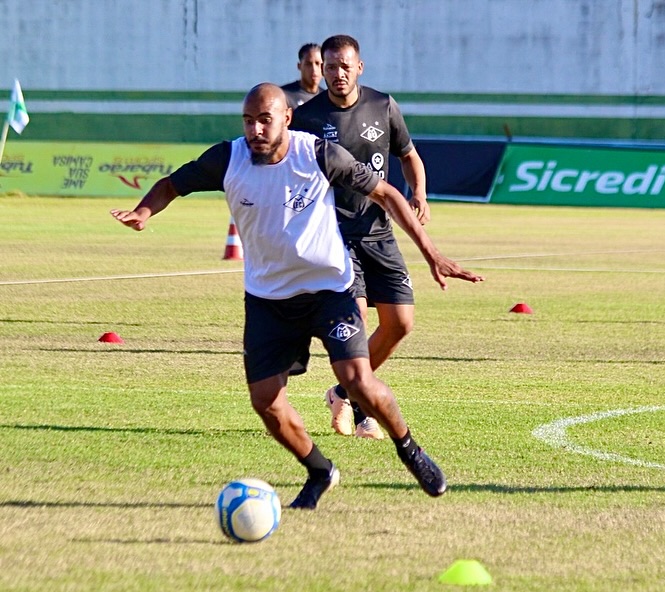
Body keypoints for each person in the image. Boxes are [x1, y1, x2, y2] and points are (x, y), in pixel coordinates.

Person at [110, 83, 484, 509]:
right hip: (268, 299)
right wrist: (143, 211)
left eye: (265, 120)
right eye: (248, 121)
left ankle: (409, 448)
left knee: (357, 380)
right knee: (265, 403)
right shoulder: (227, 158)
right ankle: (320, 471)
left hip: (329, 290)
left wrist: (432, 254)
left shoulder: (319, 154)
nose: (255, 130)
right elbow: (172, 184)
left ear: (287, 117)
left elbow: (387, 193)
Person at [291, 34, 431, 440]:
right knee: (357, 319)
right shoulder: (307, 117)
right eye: (329, 66)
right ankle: (362, 411)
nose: (336, 74)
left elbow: (408, 154)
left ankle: (340, 392)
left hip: (379, 232)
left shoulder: (382, 105)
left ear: (359, 67)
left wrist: (418, 191)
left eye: (344, 66)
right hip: (334, 235)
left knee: (401, 324)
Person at [280, 43, 324, 109]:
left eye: (317, 64)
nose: (314, 69)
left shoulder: (327, 97)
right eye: (308, 64)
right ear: (299, 66)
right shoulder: (283, 95)